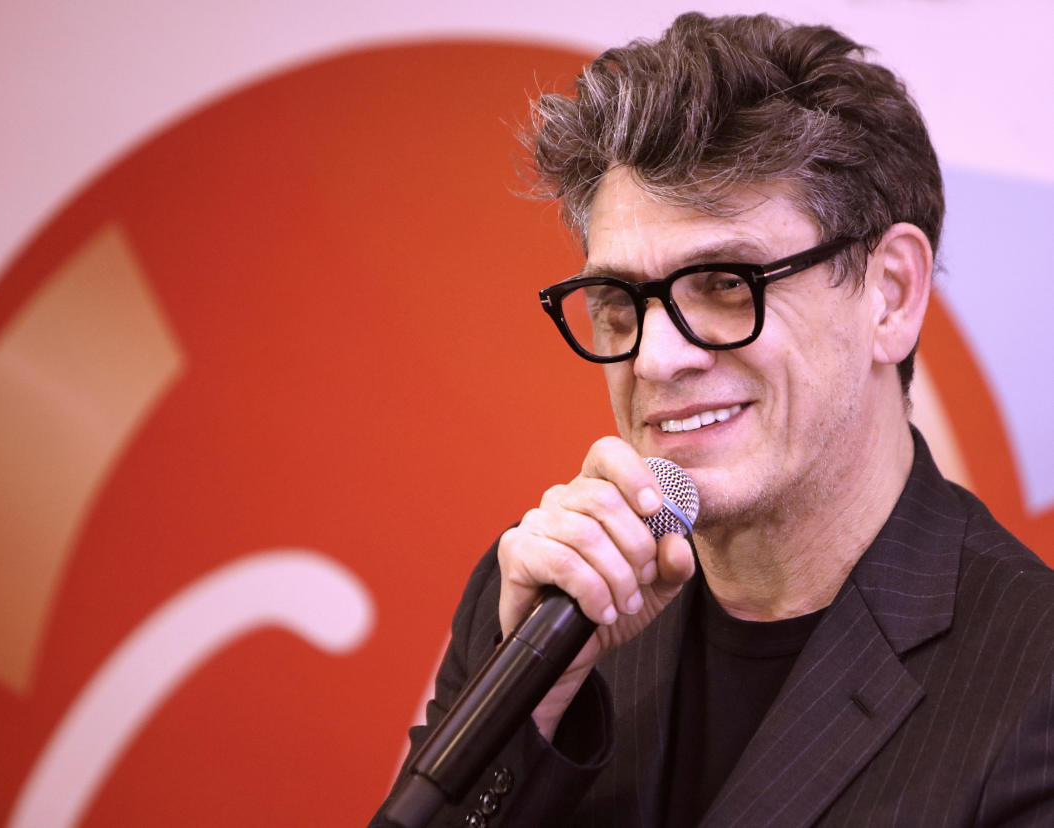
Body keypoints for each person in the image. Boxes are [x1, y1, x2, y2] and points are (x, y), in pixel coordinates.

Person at [373, 12, 1054, 827]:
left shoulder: (1035, 682)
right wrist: (531, 711)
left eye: (728, 284)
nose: (656, 360)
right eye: (618, 302)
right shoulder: (537, 606)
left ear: (891, 293)